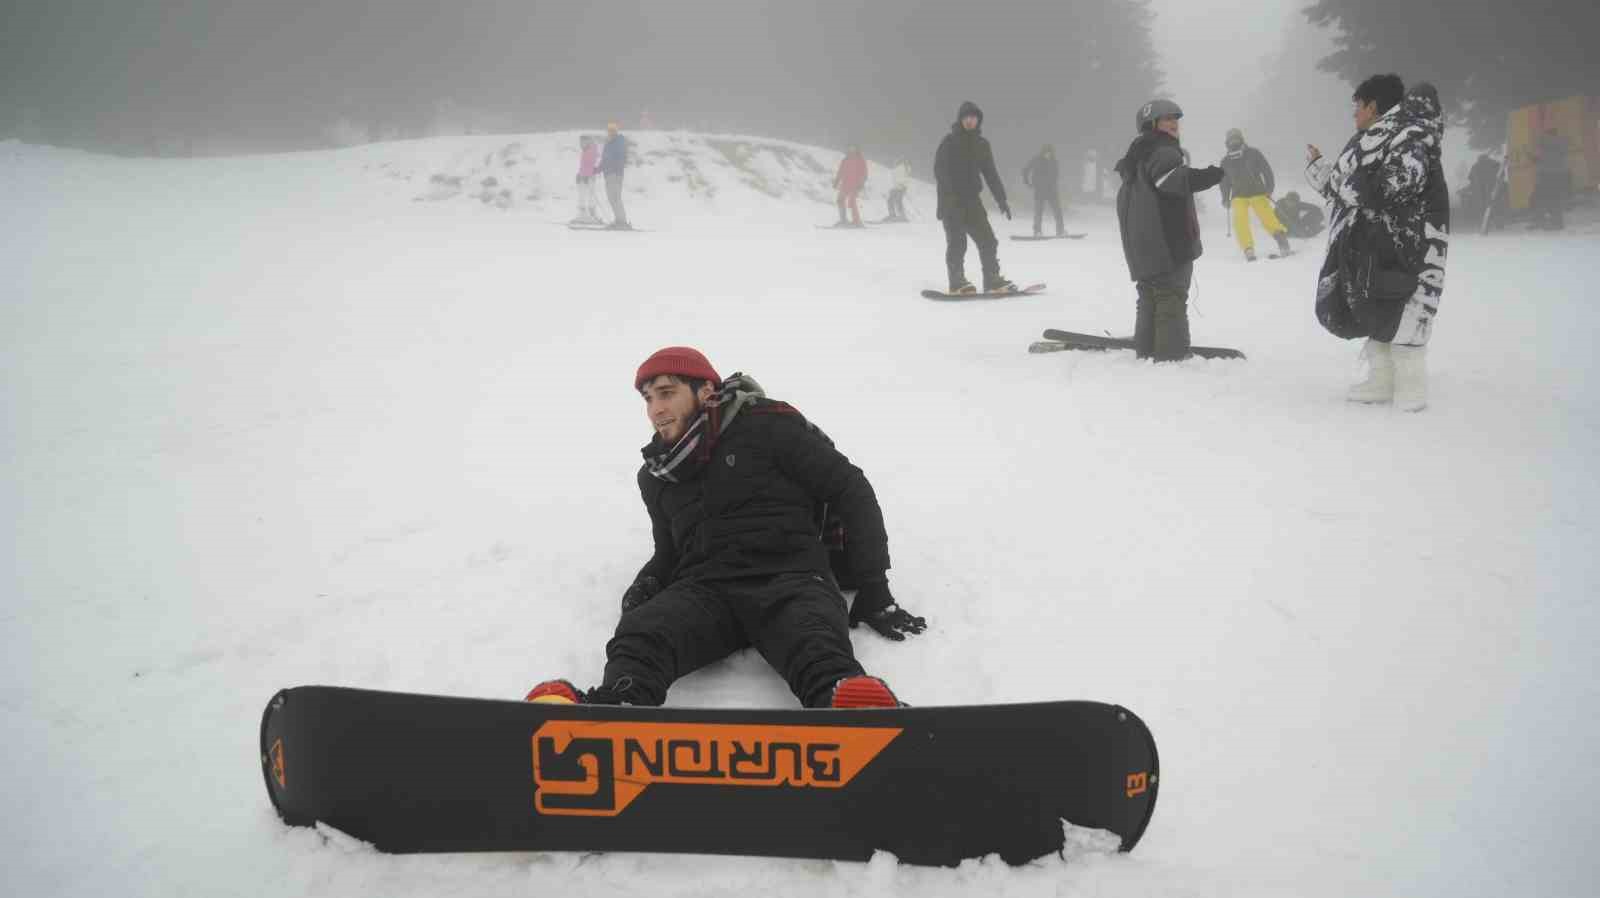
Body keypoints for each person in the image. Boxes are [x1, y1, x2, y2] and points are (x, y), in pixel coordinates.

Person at [527, 347, 926, 709]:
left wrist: (874, 585)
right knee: (642, 633)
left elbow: (850, 489)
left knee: (813, 639)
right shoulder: (657, 476)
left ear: (704, 391)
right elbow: (669, 552)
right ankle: (617, 708)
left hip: (790, 579)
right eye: (648, 399)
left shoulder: (767, 426)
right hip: (706, 590)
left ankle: (851, 710)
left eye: (666, 393)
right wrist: (647, 582)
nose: (655, 409)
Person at [1306, 75, 1448, 412]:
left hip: (1402, 247)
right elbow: (1343, 189)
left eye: (1357, 105)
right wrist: (1319, 167)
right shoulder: (1374, 141)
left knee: (1403, 309)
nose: (1354, 113)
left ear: (1372, 106)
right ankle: (1382, 380)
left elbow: (1392, 185)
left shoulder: (1410, 138)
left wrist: (1351, 184)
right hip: (1372, 246)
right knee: (1377, 308)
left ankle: (1411, 388)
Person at [1113, 99, 1225, 361]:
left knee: (1150, 294)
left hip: (1143, 241)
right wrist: (1212, 175)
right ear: (1151, 124)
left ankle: (1147, 348)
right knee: (1170, 294)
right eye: (1167, 119)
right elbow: (1172, 180)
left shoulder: (1137, 155)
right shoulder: (1163, 151)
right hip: (1166, 241)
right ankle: (1171, 354)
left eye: (1175, 119)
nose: (1174, 124)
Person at [935, 101, 1015, 294]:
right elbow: (939, 170)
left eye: (973, 118)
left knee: (988, 240)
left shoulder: (982, 145)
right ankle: (957, 281)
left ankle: (992, 279)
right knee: (957, 242)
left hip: (972, 201)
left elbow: (991, 173)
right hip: (951, 201)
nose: (970, 121)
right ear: (960, 119)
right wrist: (948, 197)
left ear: (978, 120)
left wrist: (1001, 199)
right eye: (966, 118)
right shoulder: (949, 142)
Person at [1220, 129, 1292, 260]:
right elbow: (1224, 182)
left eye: (1236, 138)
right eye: (1231, 139)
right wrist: (1225, 198)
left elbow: (1267, 171)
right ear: (1227, 142)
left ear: (1241, 139)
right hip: (1238, 195)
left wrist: (1269, 188)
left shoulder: (1253, 153)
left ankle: (1282, 242)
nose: (1234, 141)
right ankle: (1248, 249)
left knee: (1267, 218)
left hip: (1257, 192)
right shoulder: (1225, 161)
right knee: (1240, 221)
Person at [1530, 129, 1572, 230]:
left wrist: (1531, 157)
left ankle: (1553, 223)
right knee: (1554, 200)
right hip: (1558, 175)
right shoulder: (1561, 144)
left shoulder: (1546, 143)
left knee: (1547, 199)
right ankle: (1556, 223)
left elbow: (1542, 159)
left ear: (1548, 134)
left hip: (1547, 176)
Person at [1022, 144, 1065, 237]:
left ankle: (1060, 231)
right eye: (1046, 152)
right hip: (1040, 190)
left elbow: (1056, 174)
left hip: (1052, 191)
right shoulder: (1036, 160)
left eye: (1050, 152)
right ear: (1043, 152)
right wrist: (1027, 182)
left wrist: (1054, 183)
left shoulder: (1054, 161)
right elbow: (1025, 170)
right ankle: (1037, 231)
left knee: (1057, 211)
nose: (1048, 154)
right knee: (1038, 212)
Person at [599, 121, 631, 230]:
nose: (611, 132)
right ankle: (618, 219)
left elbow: (621, 158)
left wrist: (617, 170)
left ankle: (622, 221)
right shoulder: (608, 143)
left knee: (616, 198)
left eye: (613, 130)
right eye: (609, 131)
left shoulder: (619, 142)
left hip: (615, 174)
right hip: (608, 175)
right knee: (611, 198)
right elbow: (604, 160)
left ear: (616, 131)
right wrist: (596, 170)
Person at [833, 146, 868, 227]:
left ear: (856, 149)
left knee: (851, 202)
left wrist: (861, 183)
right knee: (840, 200)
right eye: (850, 147)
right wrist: (837, 180)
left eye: (853, 147)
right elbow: (840, 171)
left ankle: (857, 222)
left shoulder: (860, 159)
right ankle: (843, 220)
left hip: (855, 185)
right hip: (845, 184)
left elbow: (864, 173)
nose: (851, 149)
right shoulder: (845, 159)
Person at [574, 135, 602, 224]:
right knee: (585, 195)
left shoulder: (591, 151)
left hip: (588, 178)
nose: (581, 144)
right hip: (584, 177)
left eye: (582, 142)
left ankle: (588, 215)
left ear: (588, 141)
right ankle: (586, 214)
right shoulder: (587, 150)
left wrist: (586, 175)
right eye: (580, 142)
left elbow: (591, 165)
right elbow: (584, 165)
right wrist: (579, 174)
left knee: (586, 196)